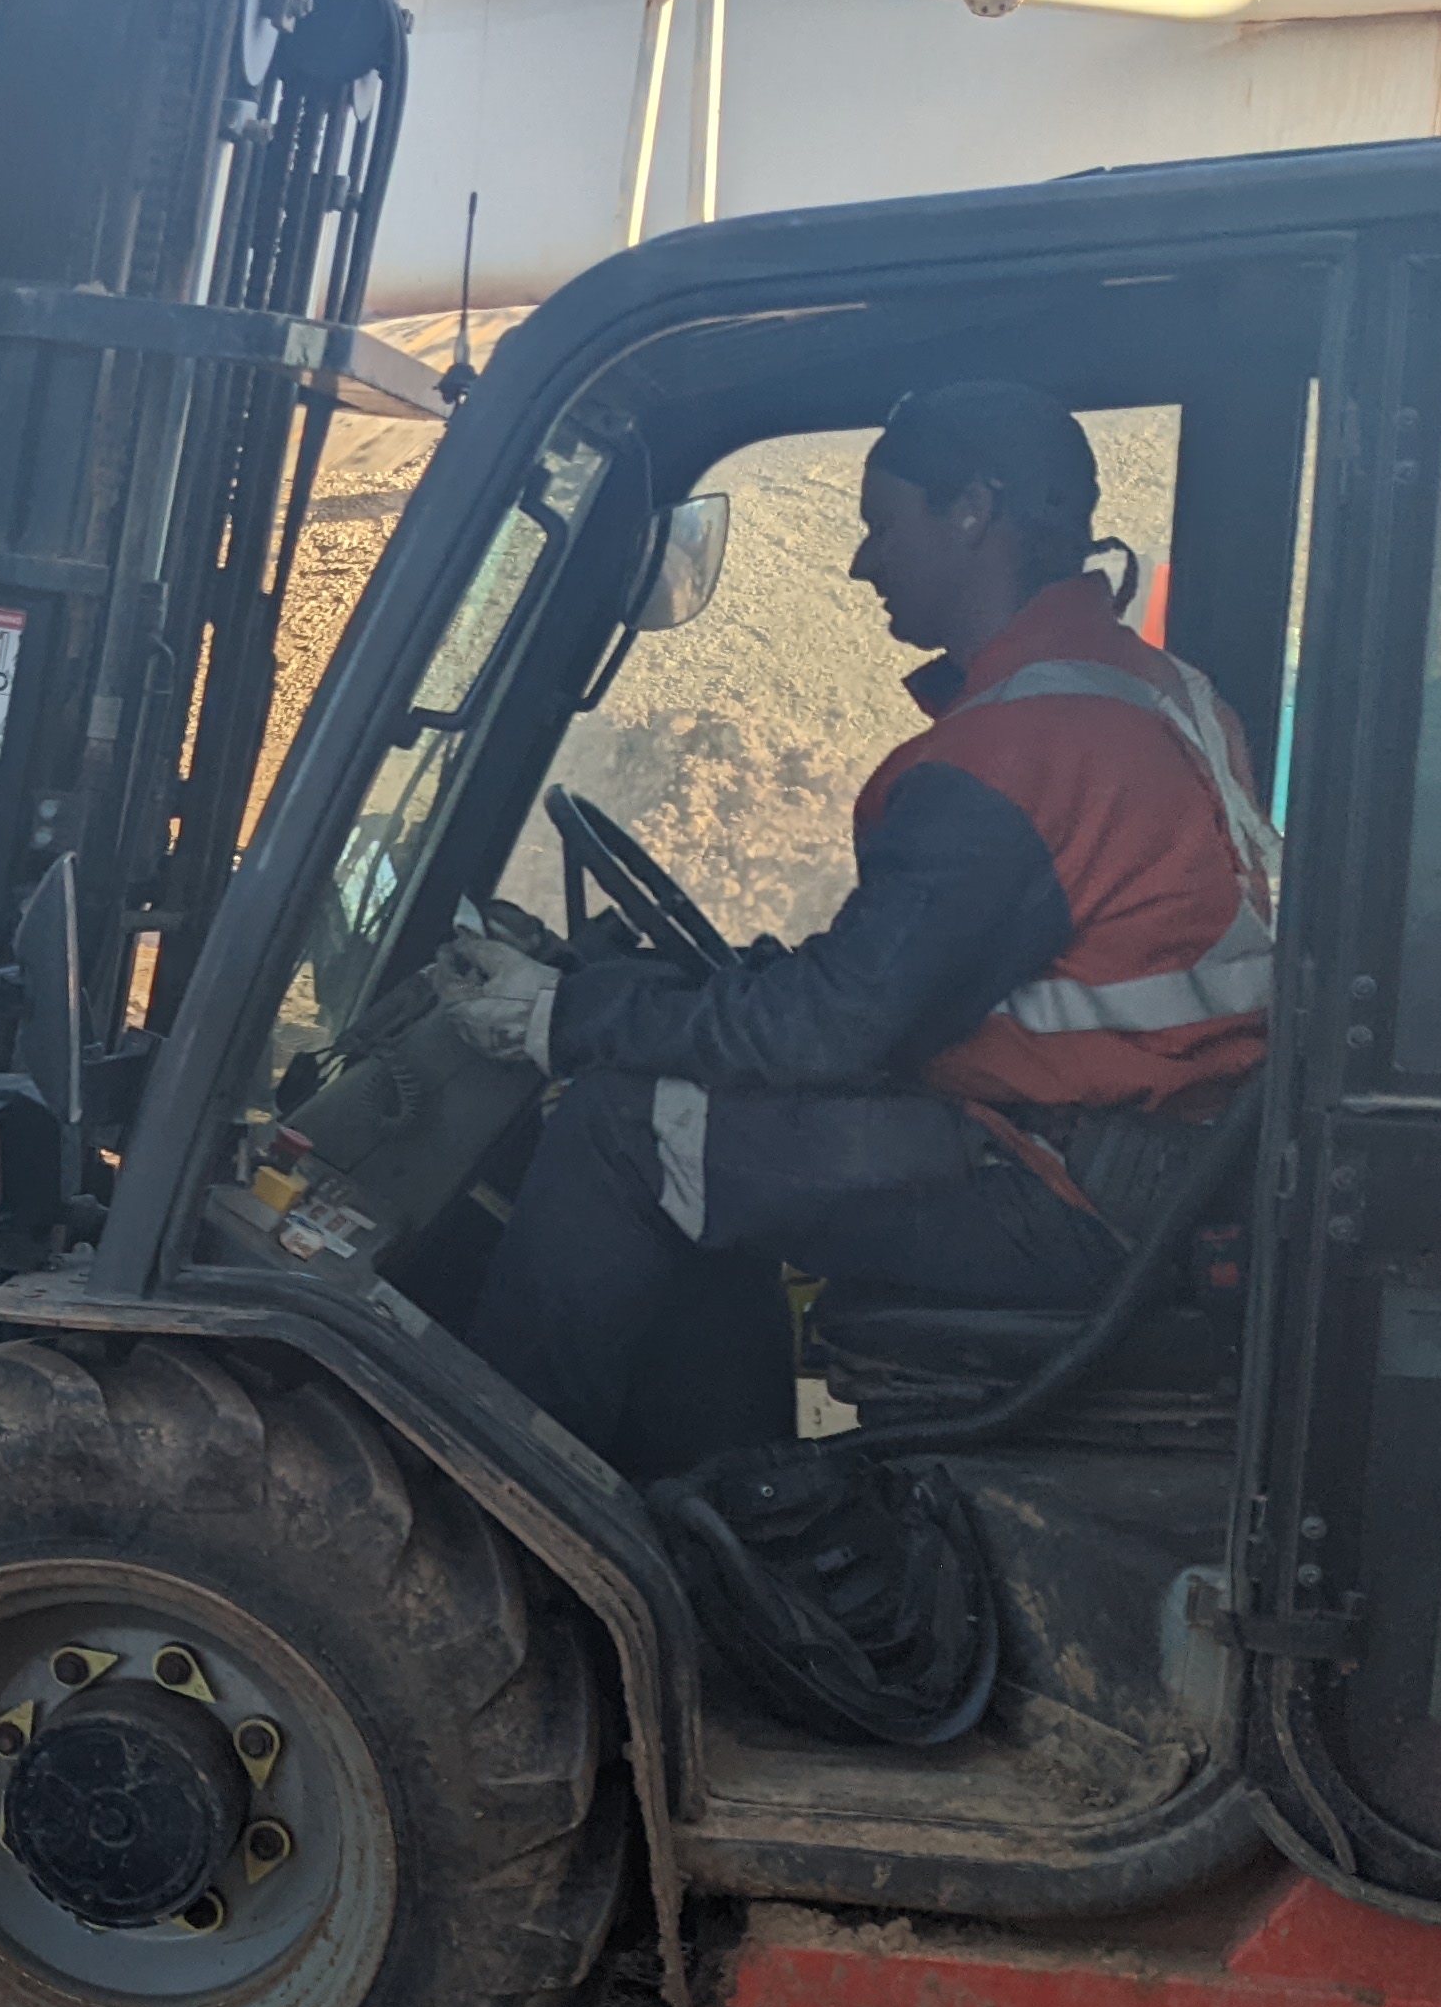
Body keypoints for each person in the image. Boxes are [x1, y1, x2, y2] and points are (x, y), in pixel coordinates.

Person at [441, 381, 1277, 1473]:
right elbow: (921, 981)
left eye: (884, 522)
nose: (862, 561)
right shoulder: (1149, 691)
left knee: (619, 1125)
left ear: (972, 511)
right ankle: (726, 1513)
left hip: (1074, 1195)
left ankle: (496, 1518)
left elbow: (834, 1030)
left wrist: (566, 1014)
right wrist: (704, 995)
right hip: (1165, 1165)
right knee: (709, 1143)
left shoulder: (1023, 748)